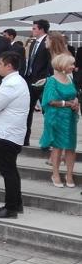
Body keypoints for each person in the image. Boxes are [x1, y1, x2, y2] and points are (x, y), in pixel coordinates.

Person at [0, 51, 30, 218]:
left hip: (6, 134)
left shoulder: (11, 84)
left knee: (8, 171)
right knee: (10, 170)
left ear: (9, 66)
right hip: (9, 133)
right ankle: (15, 204)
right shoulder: (15, 81)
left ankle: (11, 208)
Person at [39, 53, 79, 188]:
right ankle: (55, 174)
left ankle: (69, 174)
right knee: (57, 146)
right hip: (56, 118)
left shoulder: (69, 78)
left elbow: (74, 94)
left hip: (70, 118)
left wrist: (76, 102)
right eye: (71, 64)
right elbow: (50, 101)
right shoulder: (52, 80)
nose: (73, 66)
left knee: (70, 147)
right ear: (62, 65)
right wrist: (68, 104)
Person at [23, 19, 51, 145]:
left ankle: (48, 140)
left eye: (34, 28)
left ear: (41, 29)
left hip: (42, 82)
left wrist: (46, 78)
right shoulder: (34, 43)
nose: (32, 30)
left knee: (46, 111)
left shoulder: (49, 42)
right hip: (30, 80)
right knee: (27, 111)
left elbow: (50, 63)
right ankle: (25, 139)